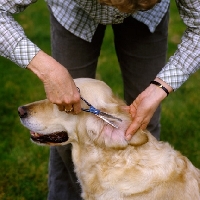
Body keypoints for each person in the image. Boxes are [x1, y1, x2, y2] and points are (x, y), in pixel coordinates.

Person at [1, 0, 170, 199]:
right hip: (72, 13)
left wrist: (161, 87)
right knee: (64, 126)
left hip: (148, 18)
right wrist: (47, 69)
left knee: (141, 124)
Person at [125, 0, 200, 140]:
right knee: (72, 110)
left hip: (149, 18)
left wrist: (160, 88)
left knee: (144, 119)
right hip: (76, 14)